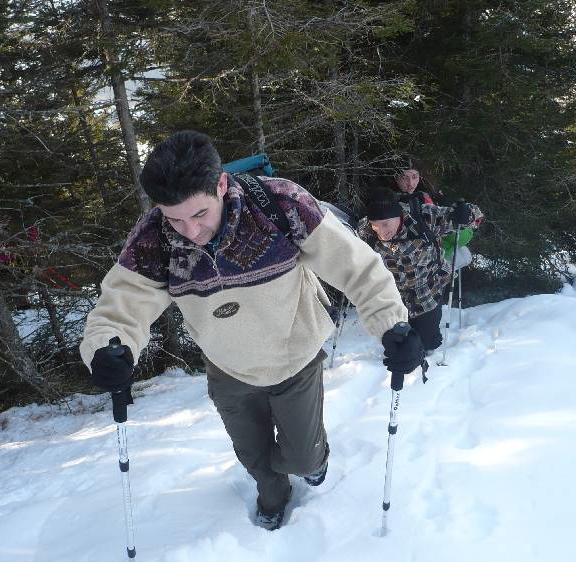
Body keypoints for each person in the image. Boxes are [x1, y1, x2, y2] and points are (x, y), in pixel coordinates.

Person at [80, 131, 425, 531]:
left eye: (199, 214)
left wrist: (392, 325)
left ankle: (312, 461)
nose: (190, 230)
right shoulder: (155, 238)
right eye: (175, 218)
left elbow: (357, 267)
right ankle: (272, 496)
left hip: (295, 355)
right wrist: (109, 348)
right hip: (228, 367)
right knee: (254, 456)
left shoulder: (280, 204)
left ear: (221, 185)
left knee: (303, 459)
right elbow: (122, 305)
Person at [357, 187, 482, 353]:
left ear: (398, 214)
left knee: (428, 344)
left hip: (428, 290)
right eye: (375, 226)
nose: (381, 232)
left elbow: (475, 216)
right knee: (400, 345)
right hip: (394, 295)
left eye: (385, 224)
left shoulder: (422, 216)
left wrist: (466, 214)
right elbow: (346, 237)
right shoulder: (365, 229)